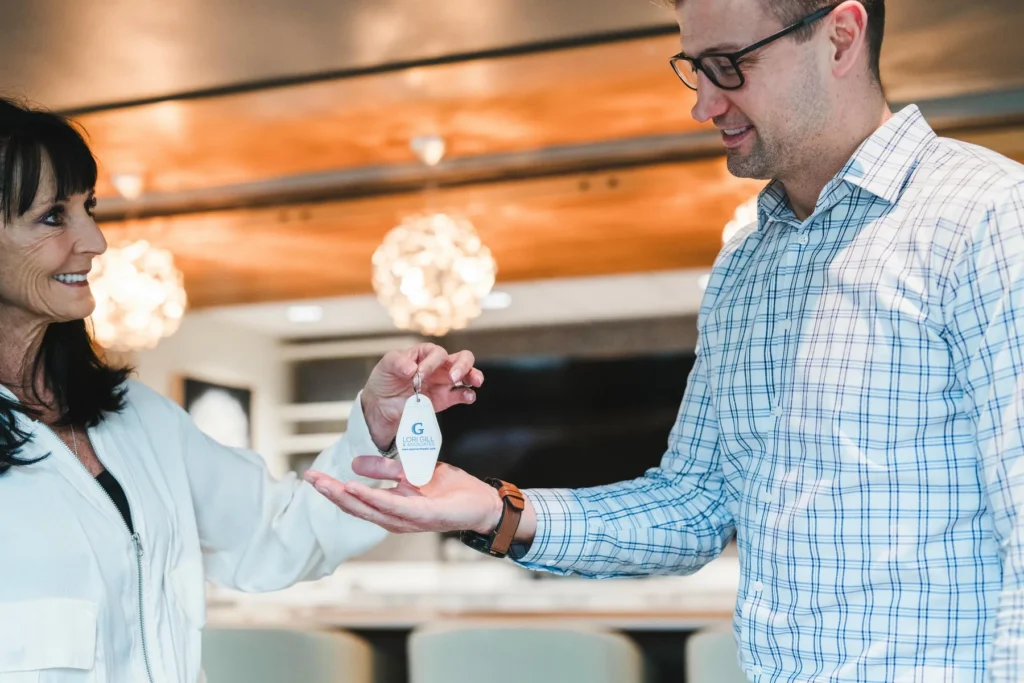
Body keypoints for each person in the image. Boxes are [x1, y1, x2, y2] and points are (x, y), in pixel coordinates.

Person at [306, 0, 1024, 680]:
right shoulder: (746, 268)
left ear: (839, 36)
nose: (704, 105)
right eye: (694, 69)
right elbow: (694, 504)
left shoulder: (988, 217)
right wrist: (496, 512)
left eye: (730, 64)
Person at [0, 96, 483, 683]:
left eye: (89, 209)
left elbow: (276, 538)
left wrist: (379, 423)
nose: (96, 241)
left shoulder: (139, 421)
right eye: (54, 216)